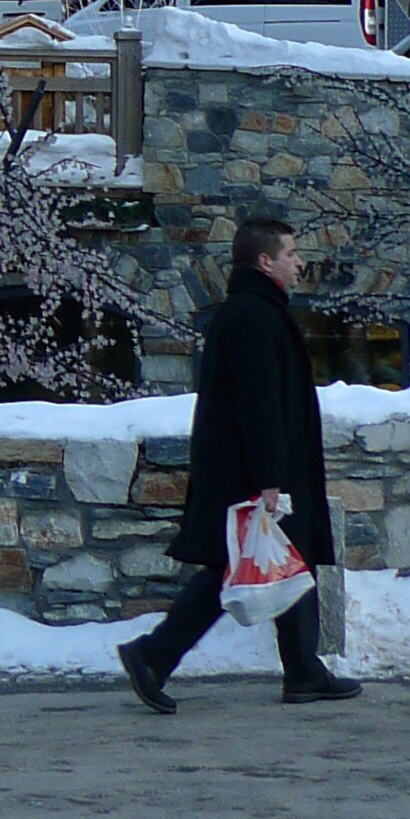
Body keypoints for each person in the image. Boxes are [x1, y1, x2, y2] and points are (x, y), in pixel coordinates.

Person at [116, 217, 362, 712]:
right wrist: (270, 476)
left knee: (281, 562)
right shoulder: (253, 317)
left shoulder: (256, 312)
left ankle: (300, 669)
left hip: (256, 466)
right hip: (255, 471)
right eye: (291, 253)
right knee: (240, 567)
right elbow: (257, 402)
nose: (300, 261)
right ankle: (154, 654)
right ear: (264, 261)